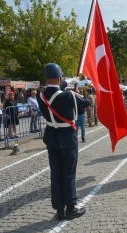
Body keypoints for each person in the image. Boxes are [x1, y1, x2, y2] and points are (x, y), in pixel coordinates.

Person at [37, 63, 90, 221]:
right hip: (67, 136)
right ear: (59, 77)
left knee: (56, 173)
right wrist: (81, 91)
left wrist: (69, 81)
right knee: (69, 172)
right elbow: (86, 102)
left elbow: (54, 88)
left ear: (46, 77)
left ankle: (59, 209)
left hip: (51, 135)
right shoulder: (69, 96)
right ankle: (71, 207)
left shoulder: (41, 95)